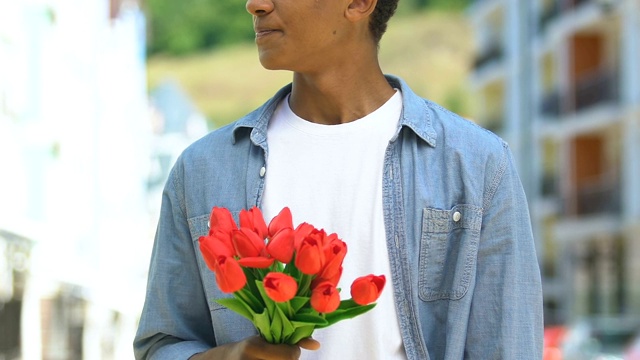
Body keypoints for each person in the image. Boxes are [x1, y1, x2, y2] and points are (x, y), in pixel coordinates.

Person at [133, 0, 544, 358]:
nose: (254, 4)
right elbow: (162, 343)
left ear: (360, 2)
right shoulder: (202, 170)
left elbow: (508, 346)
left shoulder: (475, 165)